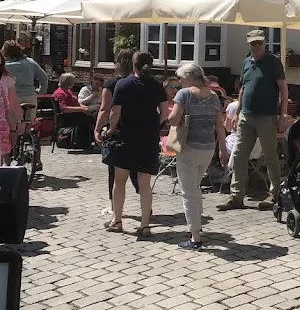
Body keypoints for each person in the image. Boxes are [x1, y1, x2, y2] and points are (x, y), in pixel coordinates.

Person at [218, 29, 287, 212]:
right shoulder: (247, 62)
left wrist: (283, 116)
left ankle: (274, 193)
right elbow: (243, 88)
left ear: (265, 43)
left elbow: (283, 88)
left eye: (259, 43)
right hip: (246, 115)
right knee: (239, 155)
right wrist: (237, 112)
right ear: (248, 44)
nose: (256, 46)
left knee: (270, 155)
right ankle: (236, 196)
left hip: (266, 116)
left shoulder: (273, 62)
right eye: (253, 43)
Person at [104, 51, 169, 236]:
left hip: (126, 136)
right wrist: (156, 124)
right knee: (144, 183)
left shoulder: (123, 84)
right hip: (148, 137)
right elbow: (164, 112)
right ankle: (145, 224)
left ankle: (117, 221)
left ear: (133, 65)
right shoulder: (156, 85)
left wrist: (110, 130)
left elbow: (115, 112)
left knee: (120, 180)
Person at [167, 63, 223, 250]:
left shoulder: (184, 94)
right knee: (195, 186)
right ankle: (197, 224)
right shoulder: (214, 96)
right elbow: (219, 125)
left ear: (189, 77)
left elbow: (174, 120)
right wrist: (223, 148)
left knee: (188, 192)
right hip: (208, 147)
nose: (180, 82)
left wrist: (170, 112)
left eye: (181, 78)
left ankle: (195, 237)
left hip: (189, 147)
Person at [95, 49, 140, 216]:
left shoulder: (112, 84)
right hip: (138, 129)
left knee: (114, 169)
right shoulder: (141, 82)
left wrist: (98, 129)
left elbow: (104, 109)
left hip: (118, 130)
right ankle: (145, 204)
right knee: (138, 170)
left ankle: (114, 206)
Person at [2, 41, 47, 124]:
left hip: (11, 97)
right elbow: (44, 78)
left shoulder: (3, 66)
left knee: (12, 125)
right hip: (30, 96)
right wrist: (41, 91)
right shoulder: (30, 62)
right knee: (29, 124)